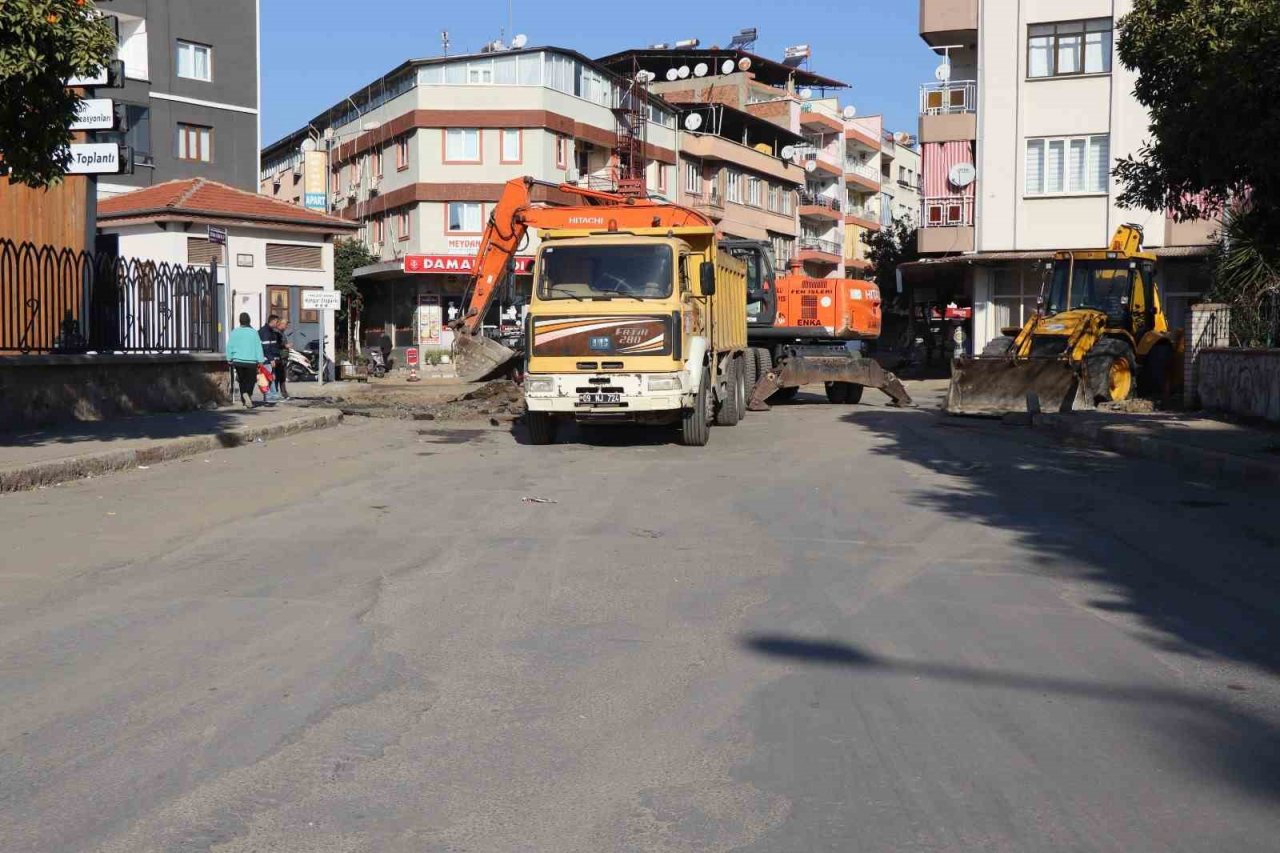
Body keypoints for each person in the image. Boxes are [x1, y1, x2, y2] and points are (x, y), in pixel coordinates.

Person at [227, 313, 266, 409]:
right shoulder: (253, 332)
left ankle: (244, 398)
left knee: (242, 380)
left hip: (238, 361)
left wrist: (229, 358)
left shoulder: (234, 332)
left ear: (240, 321)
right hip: (251, 361)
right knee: (251, 380)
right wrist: (261, 360)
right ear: (249, 320)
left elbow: (229, 346)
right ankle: (248, 394)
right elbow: (258, 347)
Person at [258, 314, 284, 401]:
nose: (277, 324)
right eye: (276, 322)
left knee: (271, 377)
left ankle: (273, 394)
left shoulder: (270, 331)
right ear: (272, 321)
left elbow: (272, 345)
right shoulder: (265, 332)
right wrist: (271, 359)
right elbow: (266, 347)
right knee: (266, 379)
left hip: (269, 359)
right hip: (266, 360)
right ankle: (268, 396)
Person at [275, 318, 292, 400]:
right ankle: (277, 393)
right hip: (280, 357)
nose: (286, 326)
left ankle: (284, 393)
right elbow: (276, 344)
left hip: (284, 357)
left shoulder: (282, 333)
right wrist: (285, 346)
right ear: (280, 324)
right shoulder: (277, 333)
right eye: (285, 324)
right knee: (278, 376)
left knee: (282, 376)